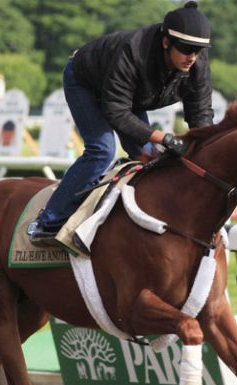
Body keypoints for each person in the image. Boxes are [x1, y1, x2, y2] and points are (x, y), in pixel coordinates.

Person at [28, 1, 214, 245]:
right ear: (166, 42)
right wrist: (164, 138)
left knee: (148, 157)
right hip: (85, 82)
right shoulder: (132, 51)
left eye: (198, 50)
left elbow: (200, 115)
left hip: (130, 95)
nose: (192, 57)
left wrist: (206, 150)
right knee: (101, 150)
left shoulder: (196, 64)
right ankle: (48, 222)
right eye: (186, 48)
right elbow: (115, 112)